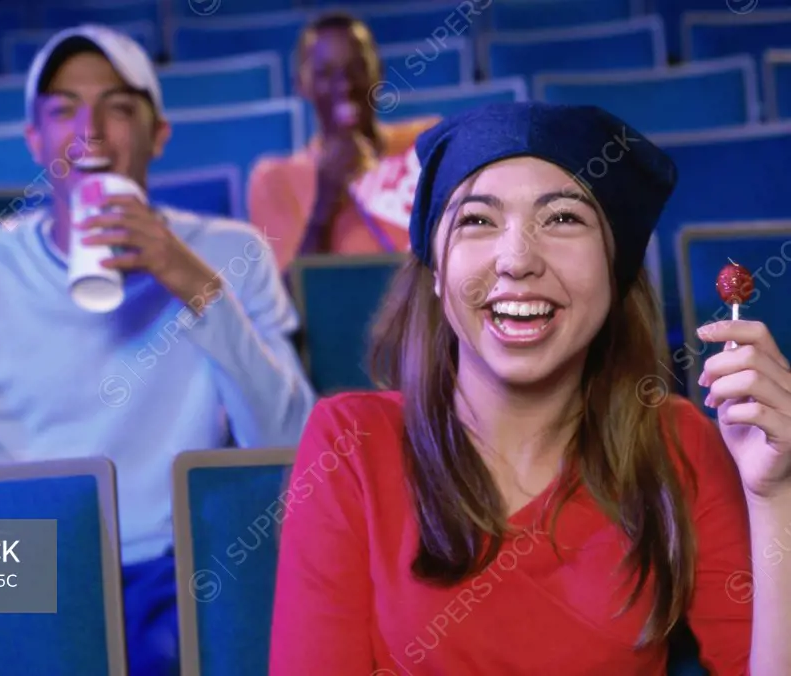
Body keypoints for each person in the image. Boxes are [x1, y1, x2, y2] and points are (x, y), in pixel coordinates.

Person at [0, 24, 316, 676]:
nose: (89, 129)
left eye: (118, 107)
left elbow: (290, 448)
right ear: (35, 141)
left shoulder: (231, 253)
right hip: (23, 564)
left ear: (158, 136)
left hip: (180, 564)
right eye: (63, 109)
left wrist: (194, 286)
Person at [270, 102, 791, 674]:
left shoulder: (680, 441)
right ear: (438, 272)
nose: (517, 259)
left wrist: (774, 496)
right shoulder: (351, 443)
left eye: (563, 218)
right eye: (477, 220)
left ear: (615, 270)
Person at [247, 11, 437, 272]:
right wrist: (326, 196)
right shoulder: (275, 179)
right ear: (301, 85)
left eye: (357, 68)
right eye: (325, 73)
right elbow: (290, 300)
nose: (345, 85)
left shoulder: (427, 141)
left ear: (378, 72)